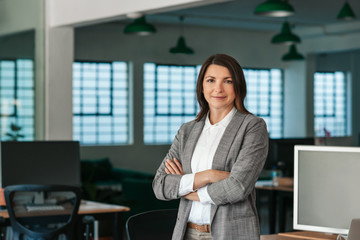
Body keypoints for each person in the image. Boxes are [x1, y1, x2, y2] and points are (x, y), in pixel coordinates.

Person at [152, 54, 269, 240]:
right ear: (202, 87)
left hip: (229, 234)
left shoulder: (252, 126)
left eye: (228, 81)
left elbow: (238, 187)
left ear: (238, 86)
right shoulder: (187, 130)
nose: (218, 88)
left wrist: (187, 189)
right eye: (211, 80)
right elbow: (160, 185)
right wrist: (208, 176)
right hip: (186, 232)